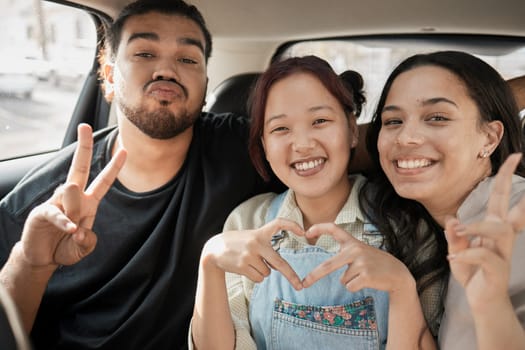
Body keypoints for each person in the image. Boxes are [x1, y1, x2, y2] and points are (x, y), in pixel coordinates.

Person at [0, 0, 288, 349]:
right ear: (108, 76)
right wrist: (32, 264)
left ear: (205, 82)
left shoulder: (242, 150)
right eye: (144, 54)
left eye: (187, 59)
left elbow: (331, 149)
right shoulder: (40, 204)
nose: (166, 71)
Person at [191, 56, 435, 350]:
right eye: (281, 129)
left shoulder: (408, 225)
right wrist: (210, 262)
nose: (303, 144)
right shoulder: (248, 221)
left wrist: (402, 287)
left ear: (352, 130)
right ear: (264, 146)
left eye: (320, 121)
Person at [360, 50, 525, 349]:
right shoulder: (422, 223)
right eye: (393, 121)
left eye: (437, 118)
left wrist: (491, 309)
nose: (406, 137)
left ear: (489, 138)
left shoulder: (516, 217)